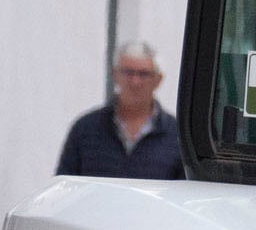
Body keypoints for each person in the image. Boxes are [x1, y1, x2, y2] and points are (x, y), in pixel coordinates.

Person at [56, 40, 184, 178]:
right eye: (128, 72)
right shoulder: (85, 129)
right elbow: (64, 187)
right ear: (114, 75)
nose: (135, 82)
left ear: (158, 80)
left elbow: (183, 192)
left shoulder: (178, 136)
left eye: (143, 74)